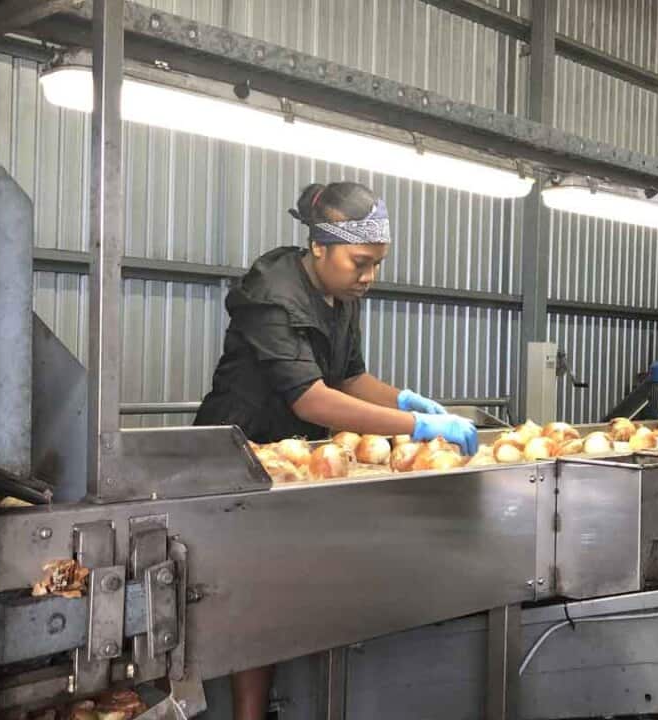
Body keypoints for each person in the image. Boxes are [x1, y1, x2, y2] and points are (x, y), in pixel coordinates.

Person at [194, 181, 479, 720]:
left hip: (297, 458)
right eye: (360, 263)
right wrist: (416, 425)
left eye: (377, 264)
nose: (369, 276)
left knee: (294, 584)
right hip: (240, 455)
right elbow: (311, 398)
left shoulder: (341, 295)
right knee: (253, 593)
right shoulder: (270, 296)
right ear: (319, 247)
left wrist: (411, 401)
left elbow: (349, 379)